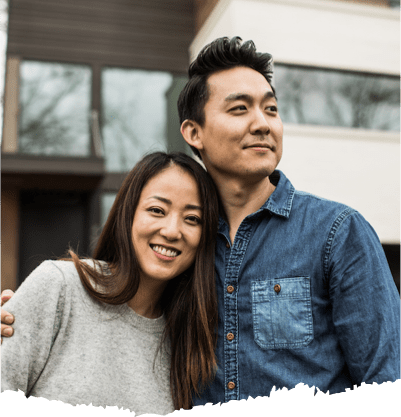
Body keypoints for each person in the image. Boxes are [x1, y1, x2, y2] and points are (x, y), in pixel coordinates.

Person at [1, 36, 400, 405]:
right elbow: (119, 312)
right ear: (194, 132)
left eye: (271, 108)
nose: (262, 123)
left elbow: (386, 388)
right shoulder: (181, 250)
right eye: (240, 108)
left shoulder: (336, 232)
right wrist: (23, 317)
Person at [0, 151, 220, 414]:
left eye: (192, 219)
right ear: (128, 214)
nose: (172, 231)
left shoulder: (191, 342)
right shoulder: (60, 287)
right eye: (157, 210)